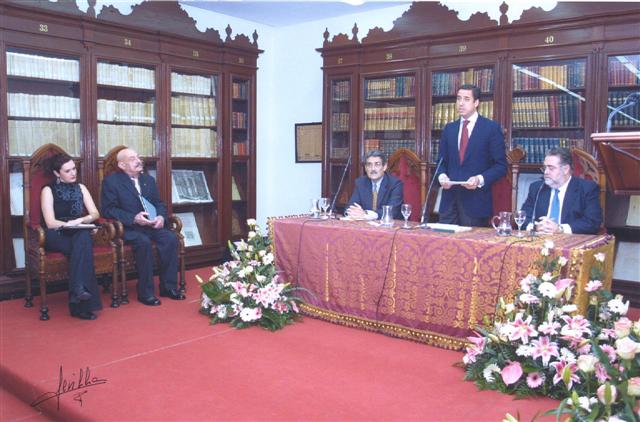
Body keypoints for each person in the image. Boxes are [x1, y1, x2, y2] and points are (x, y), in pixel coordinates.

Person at [101, 148, 184, 306]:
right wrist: (134, 218)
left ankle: (168, 287)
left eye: (138, 157)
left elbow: (158, 203)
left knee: (170, 239)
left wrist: (160, 216)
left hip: (152, 225)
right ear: (122, 165)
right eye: (132, 159)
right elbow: (108, 209)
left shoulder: (148, 180)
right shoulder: (111, 182)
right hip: (129, 228)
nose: (138, 160)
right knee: (143, 242)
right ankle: (145, 293)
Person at [41, 153, 103, 320]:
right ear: (57, 173)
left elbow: (95, 213)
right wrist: (69, 224)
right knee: (83, 245)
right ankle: (81, 304)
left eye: (74, 169)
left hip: (78, 231)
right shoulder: (48, 190)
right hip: (57, 233)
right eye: (67, 170)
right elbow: (50, 222)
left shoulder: (81, 187)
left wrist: (82, 220)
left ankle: (79, 292)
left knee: (82, 240)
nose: (73, 173)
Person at [437, 84, 507, 227]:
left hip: (475, 203)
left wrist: (479, 179)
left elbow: (501, 166)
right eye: (458, 99)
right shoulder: (449, 129)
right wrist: (441, 176)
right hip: (449, 202)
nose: (461, 103)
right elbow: (441, 162)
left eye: (466, 99)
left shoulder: (491, 128)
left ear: (476, 103)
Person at [521, 147, 602, 235]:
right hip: (540, 240)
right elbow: (523, 218)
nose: (546, 172)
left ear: (566, 169)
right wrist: (535, 227)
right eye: (544, 168)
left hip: (571, 243)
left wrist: (560, 229)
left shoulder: (586, 188)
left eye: (551, 168)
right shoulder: (537, 188)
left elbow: (592, 223)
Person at [346, 149, 403, 219]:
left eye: (377, 164)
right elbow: (350, 206)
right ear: (365, 168)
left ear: (384, 167)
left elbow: (392, 211)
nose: (373, 169)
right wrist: (353, 212)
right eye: (369, 165)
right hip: (365, 225)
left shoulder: (395, 184)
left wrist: (366, 214)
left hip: (390, 225)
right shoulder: (361, 182)